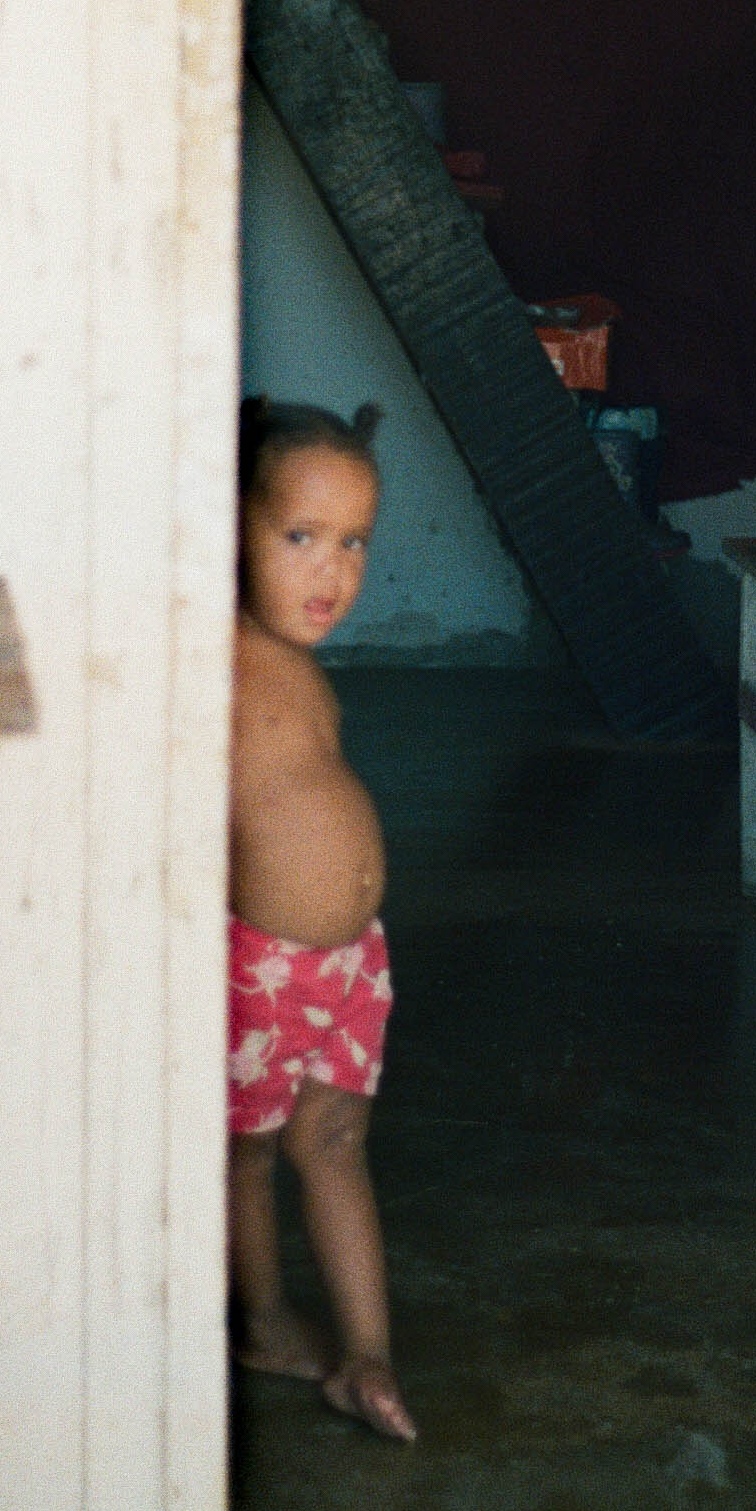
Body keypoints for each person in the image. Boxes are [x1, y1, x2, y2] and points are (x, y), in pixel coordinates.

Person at [228, 396, 416, 1442]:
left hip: (349, 961)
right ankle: (263, 1320)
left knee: (336, 1143)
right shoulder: (210, 653)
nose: (331, 572)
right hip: (256, 963)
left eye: (353, 542)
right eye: (300, 536)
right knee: (248, 1152)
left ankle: (367, 1356)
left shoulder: (295, 661)